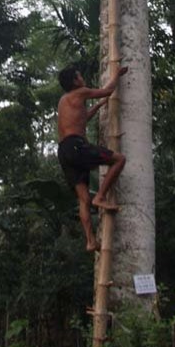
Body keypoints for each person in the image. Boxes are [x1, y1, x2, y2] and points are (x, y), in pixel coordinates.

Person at [57, 64, 127, 252]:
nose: (82, 78)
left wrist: (96, 107)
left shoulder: (64, 100)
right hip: (76, 146)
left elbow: (80, 120)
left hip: (64, 151)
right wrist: (117, 74)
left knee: (83, 199)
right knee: (119, 159)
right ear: (75, 81)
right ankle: (101, 196)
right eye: (79, 75)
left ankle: (90, 241)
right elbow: (108, 90)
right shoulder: (81, 92)